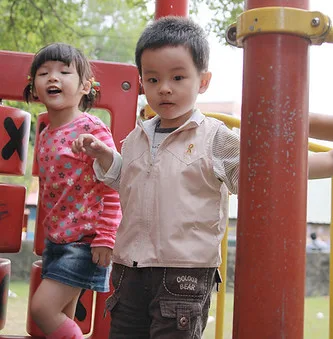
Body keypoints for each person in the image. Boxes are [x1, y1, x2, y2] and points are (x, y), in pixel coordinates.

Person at [71, 17, 333, 339]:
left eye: (178, 77)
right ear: (142, 82)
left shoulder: (214, 138)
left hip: (185, 272)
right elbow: (129, 183)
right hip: (130, 270)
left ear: (203, 80)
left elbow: (271, 167)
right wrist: (107, 156)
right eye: (152, 80)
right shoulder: (136, 138)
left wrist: (328, 161)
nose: (164, 87)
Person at [23, 43, 121, 339]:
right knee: (62, 319)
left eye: (65, 72)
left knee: (42, 309)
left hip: (84, 241)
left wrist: (106, 236)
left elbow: (114, 184)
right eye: (44, 73)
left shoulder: (91, 130)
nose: (53, 78)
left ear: (85, 87)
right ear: (33, 86)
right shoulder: (47, 134)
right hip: (57, 240)